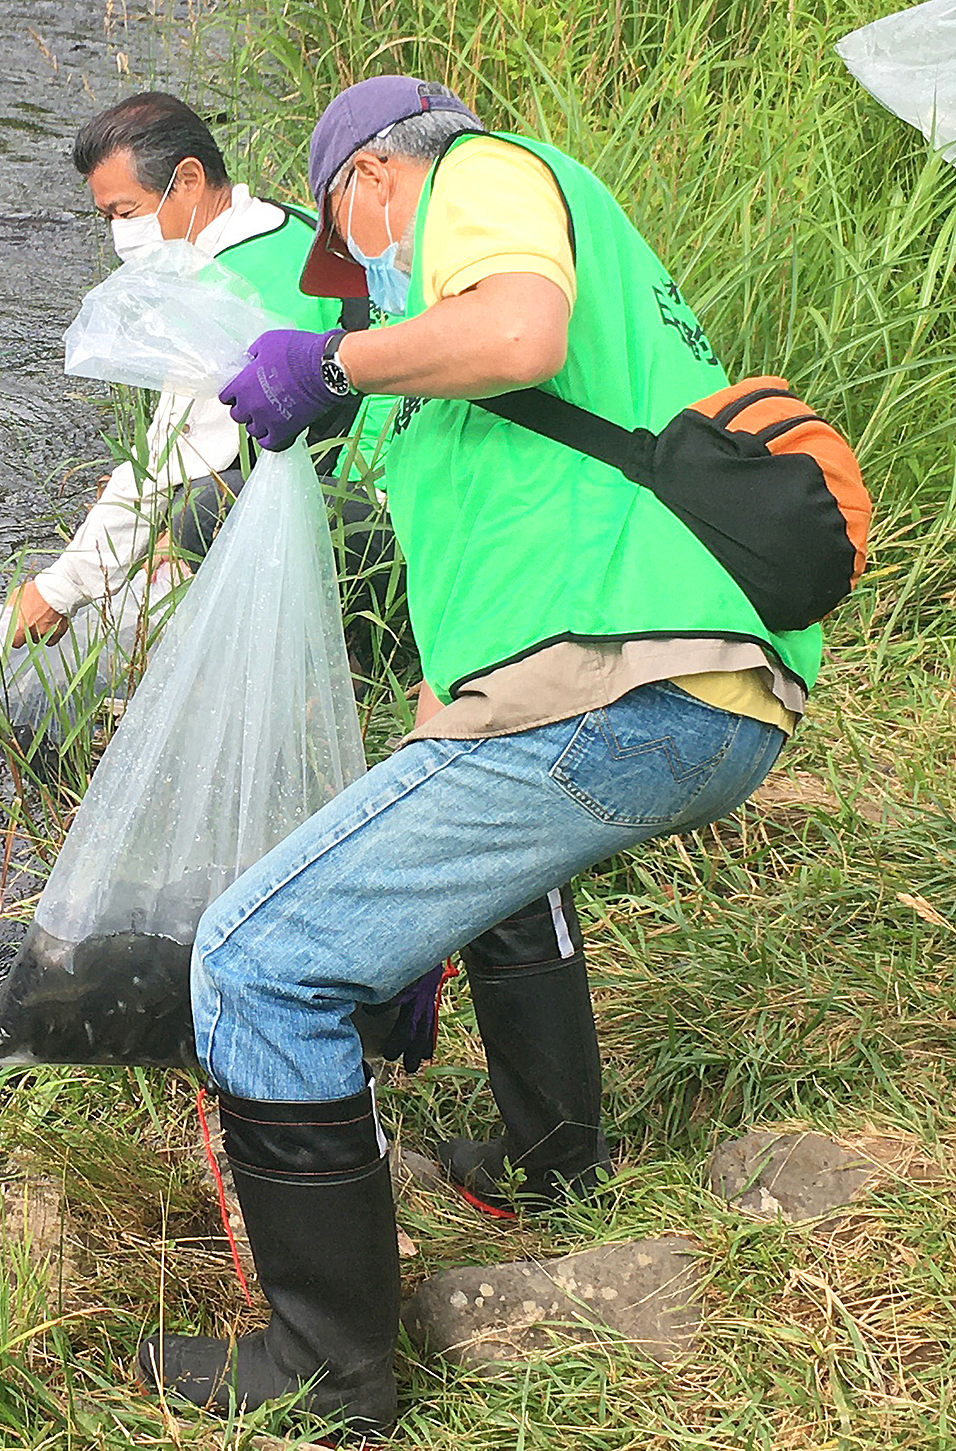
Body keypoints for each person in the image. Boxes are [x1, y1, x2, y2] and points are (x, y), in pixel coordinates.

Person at [136, 76, 815, 1437]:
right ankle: (554, 1168)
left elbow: (515, 324)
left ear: (375, 179)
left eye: (351, 241)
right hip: (691, 692)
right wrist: (412, 914)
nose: (361, 281)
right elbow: (478, 661)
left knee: (259, 957)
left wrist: (331, 359)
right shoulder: (436, 385)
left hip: (624, 685)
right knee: (471, 865)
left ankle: (326, 1376)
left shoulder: (482, 177)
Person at [10, 92, 400, 673]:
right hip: (394, 480)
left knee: (197, 511)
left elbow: (165, 465)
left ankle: (357, 653)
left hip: (373, 525)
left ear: (188, 180)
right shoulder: (285, 224)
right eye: (107, 219)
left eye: (126, 211)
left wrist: (55, 591)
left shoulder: (221, 291)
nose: (120, 234)